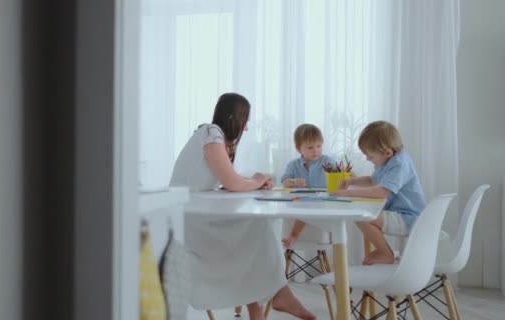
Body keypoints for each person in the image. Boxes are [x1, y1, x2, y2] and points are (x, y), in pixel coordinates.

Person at [170, 93, 316, 320]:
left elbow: (227, 182)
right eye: (245, 120)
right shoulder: (210, 133)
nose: (246, 128)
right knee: (256, 228)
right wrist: (256, 180)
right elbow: (231, 182)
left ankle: (263, 305)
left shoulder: (216, 139)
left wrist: (256, 182)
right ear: (234, 117)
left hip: (196, 213)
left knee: (254, 227)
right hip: (187, 219)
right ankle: (279, 293)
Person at [330, 121, 426, 265]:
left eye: (370, 156)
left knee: (362, 216)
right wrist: (351, 182)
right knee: (363, 214)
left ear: (386, 152)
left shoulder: (399, 164)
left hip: (410, 218)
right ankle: (384, 251)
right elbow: (372, 180)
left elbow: (381, 192)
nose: (367, 159)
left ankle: (386, 253)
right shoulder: (388, 161)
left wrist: (348, 194)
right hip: (404, 215)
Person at [280, 124, 335, 249]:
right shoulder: (293, 165)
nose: (315, 150)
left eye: (319, 146)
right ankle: (293, 235)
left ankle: (334, 234)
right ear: (299, 148)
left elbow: (338, 175)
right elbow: (284, 181)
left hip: (324, 200)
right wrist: (294, 182)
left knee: (316, 207)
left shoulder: (327, 161)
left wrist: (344, 176)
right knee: (304, 208)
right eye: (310, 147)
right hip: (303, 201)